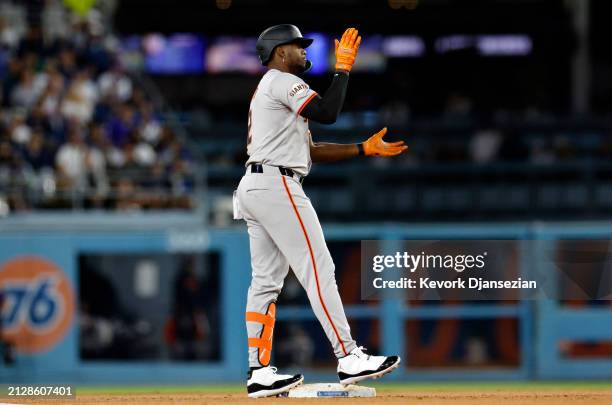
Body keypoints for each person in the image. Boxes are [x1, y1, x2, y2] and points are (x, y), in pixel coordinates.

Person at [234, 25, 407, 398]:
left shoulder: (274, 89)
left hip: (257, 184)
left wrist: (361, 149)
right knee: (319, 267)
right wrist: (342, 69)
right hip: (277, 184)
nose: (303, 50)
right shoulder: (280, 80)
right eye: (297, 45)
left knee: (265, 283)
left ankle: (258, 370)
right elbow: (328, 111)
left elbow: (310, 149)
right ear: (279, 52)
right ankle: (348, 356)